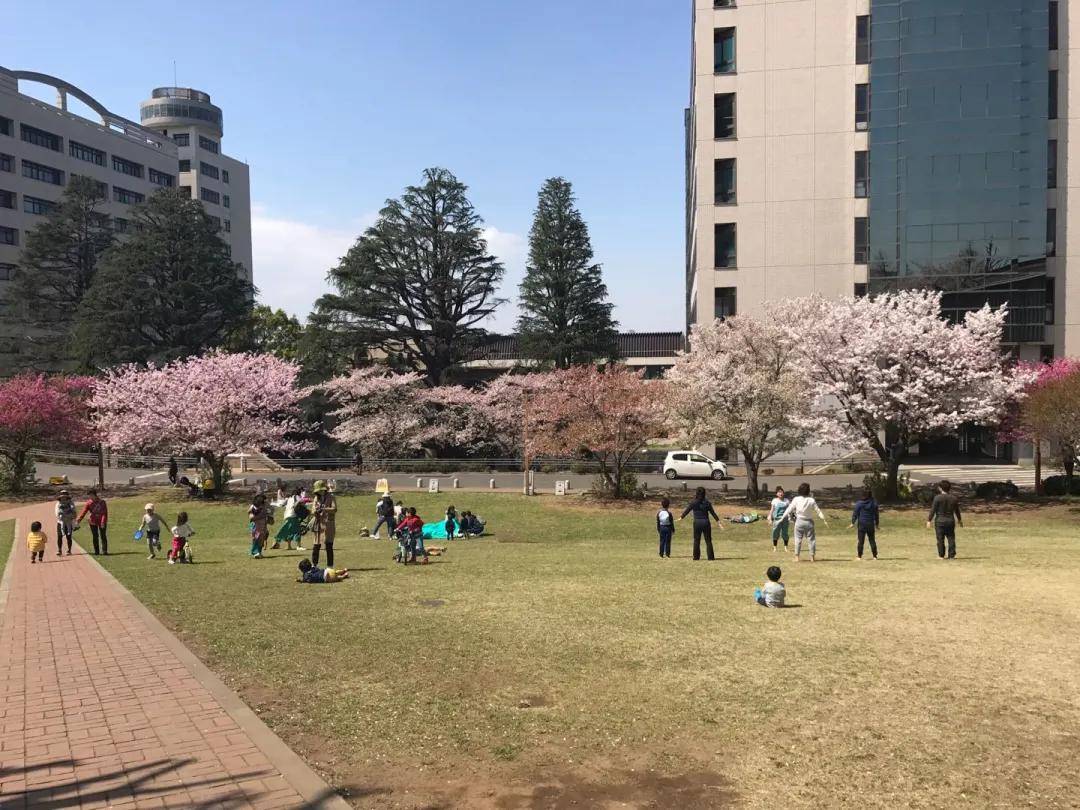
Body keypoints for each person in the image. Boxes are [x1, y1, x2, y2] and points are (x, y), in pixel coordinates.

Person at [781, 483, 828, 562]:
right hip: (809, 522)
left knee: (798, 539)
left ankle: (797, 557)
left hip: (799, 522)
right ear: (808, 491)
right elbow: (818, 510)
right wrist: (823, 518)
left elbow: (789, 508)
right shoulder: (811, 500)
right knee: (811, 540)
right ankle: (812, 557)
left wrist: (782, 517)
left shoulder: (796, 499)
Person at [680, 487, 723, 561]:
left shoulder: (693, 502)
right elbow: (713, 513)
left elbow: (687, 510)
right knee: (708, 540)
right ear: (704, 494)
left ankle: (696, 557)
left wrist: (681, 517)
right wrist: (719, 522)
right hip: (706, 522)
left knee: (696, 540)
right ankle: (711, 557)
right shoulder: (707, 503)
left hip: (697, 522)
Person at [926, 479, 963, 560]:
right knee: (951, 538)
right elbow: (957, 511)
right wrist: (959, 520)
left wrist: (929, 520)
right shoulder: (954, 498)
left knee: (940, 539)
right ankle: (951, 555)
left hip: (940, 521)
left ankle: (941, 555)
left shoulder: (937, 498)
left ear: (940, 488)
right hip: (950, 520)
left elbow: (933, 510)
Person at [310, 480, 338, 568]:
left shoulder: (331, 497)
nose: (319, 492)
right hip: (318, 523)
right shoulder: (316, 498)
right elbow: (312, 510)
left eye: (321, 490)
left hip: (329, 524)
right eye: (318, 490)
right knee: (316, 545)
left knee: (329, 545)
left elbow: (334, 509)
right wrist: (315, 510)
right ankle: (314, 565)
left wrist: (324, 509)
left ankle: (330, 566)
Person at [850, 487, 880, 560]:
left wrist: (852, 522)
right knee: (872, 540)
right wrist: (877, 524)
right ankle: (875, 556)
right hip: (870, 524)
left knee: (861, 541)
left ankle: (859, 556)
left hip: (862, 525)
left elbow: (855, 513)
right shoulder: (874, 503)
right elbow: (876, 514)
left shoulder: (859, 503)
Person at [76, 489, 109, 556]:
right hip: (93, 521)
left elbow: (104, 513)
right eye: (89, 495)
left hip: (101, 520)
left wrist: (103, 522)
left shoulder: (102, 502)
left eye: (91, 495)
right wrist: (78, 521)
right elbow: (84, 512)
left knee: (103, 536)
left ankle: (104, 551)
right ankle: (96, 551)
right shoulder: (89, 503)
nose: (90, 497)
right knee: (95, 536)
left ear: (94, 494)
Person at [767, 486, 791, 553]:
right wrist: (770, 517)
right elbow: (772, 510)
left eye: (781, 492)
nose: (780, 493)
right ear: (776, 494)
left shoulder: (786, 500)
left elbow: (790, 510)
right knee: (775, 533)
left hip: (785, 519)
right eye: (779, 492)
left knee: (785, 533)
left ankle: (786, 548)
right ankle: (775, 548)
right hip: (777, 519)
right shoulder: (774, 500)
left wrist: (790, 517)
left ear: (783, 493)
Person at [249, 493, 272, 558]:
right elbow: (251, 516)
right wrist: (261, 515)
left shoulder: (264, 506)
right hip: (256, 525)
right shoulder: (253, 506)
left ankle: (259, 552)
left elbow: (270, 511)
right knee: (256, 539)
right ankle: (255, 552)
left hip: (263, 525)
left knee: (261, 539)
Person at [55, 490, 76, 557]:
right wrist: (64, 516)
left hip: (69, 522)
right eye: (62, 496)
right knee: (59, 536)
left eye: (65, 496)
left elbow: (74, 513)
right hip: (60, 522)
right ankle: (59, 550)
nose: (63, 498)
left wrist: (69, 516)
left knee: (68, 536)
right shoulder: (58, 503)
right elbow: (57, 514)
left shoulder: (71, 503)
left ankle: (69, 550)